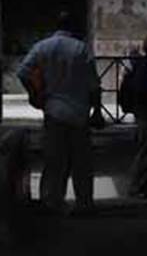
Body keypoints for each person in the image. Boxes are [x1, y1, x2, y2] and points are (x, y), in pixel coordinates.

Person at [17, 11, 103, 215]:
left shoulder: (42, 47)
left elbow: (23, 72)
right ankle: (84, 204)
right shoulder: (82, 49)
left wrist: (36, 94)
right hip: (79, 113)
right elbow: (93, 85)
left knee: (54, 160)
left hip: (53, 110)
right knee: (81, 162)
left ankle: (52, 202)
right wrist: (97, 111)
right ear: (74, 27)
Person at [123, 34, 147, 199]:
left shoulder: (142, 65)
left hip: (144, 112)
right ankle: (136, 186)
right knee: (146, 150)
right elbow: (146, 90)